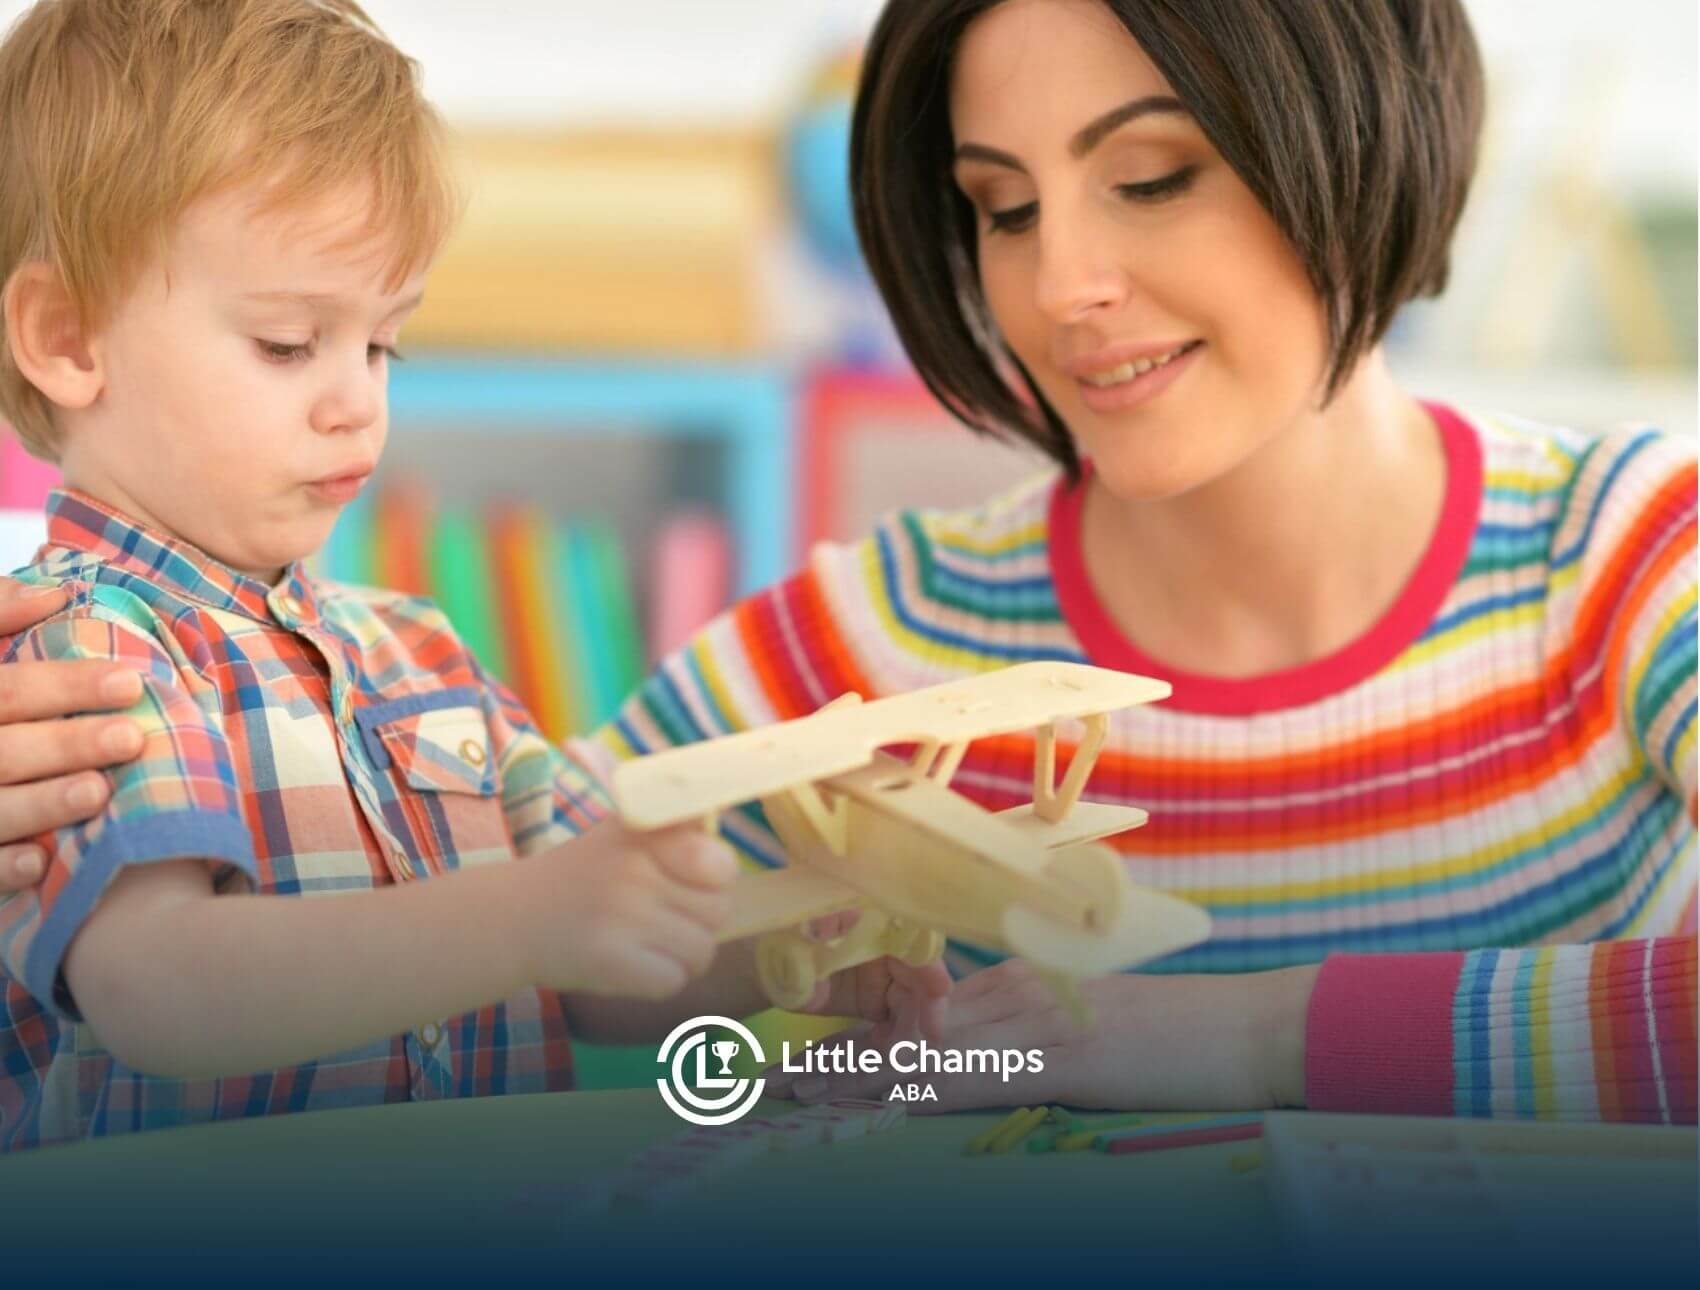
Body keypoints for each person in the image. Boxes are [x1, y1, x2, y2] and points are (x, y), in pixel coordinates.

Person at [3, 0, 1694, 1124]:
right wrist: (850, 1015)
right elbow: (617, 991)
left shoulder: (1634, 558)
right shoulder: (854, 653)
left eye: (1154, 175)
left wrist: (1246, 1036)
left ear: (1362, 133)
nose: (1062, 287)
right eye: (1001, 207)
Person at [0, 0, 941, 1152]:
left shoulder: (416, 650)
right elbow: (164, 990)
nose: (357, 400)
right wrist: (522, 922)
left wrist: (781, 956)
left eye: (381, 342)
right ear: (67, 338)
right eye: (289, 342)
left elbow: (593, 963)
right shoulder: (88, 653)